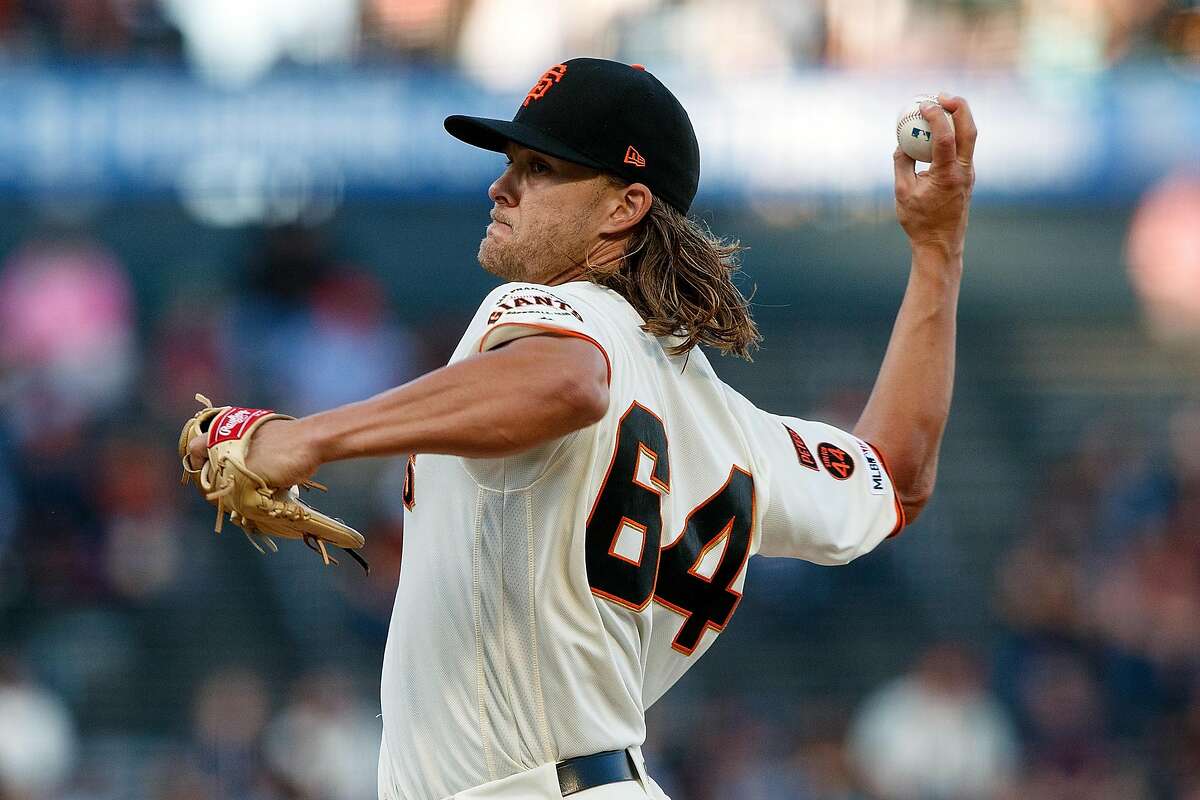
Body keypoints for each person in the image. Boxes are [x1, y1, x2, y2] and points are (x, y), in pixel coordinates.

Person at [188, 57, 976, 800]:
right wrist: (936, 252)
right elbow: (895, 473)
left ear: (624, 206)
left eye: (541, 169)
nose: (502, 186)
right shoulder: (732, 425)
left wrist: (310, 436)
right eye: (510, 163)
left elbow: (568, 383)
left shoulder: (555, 314)